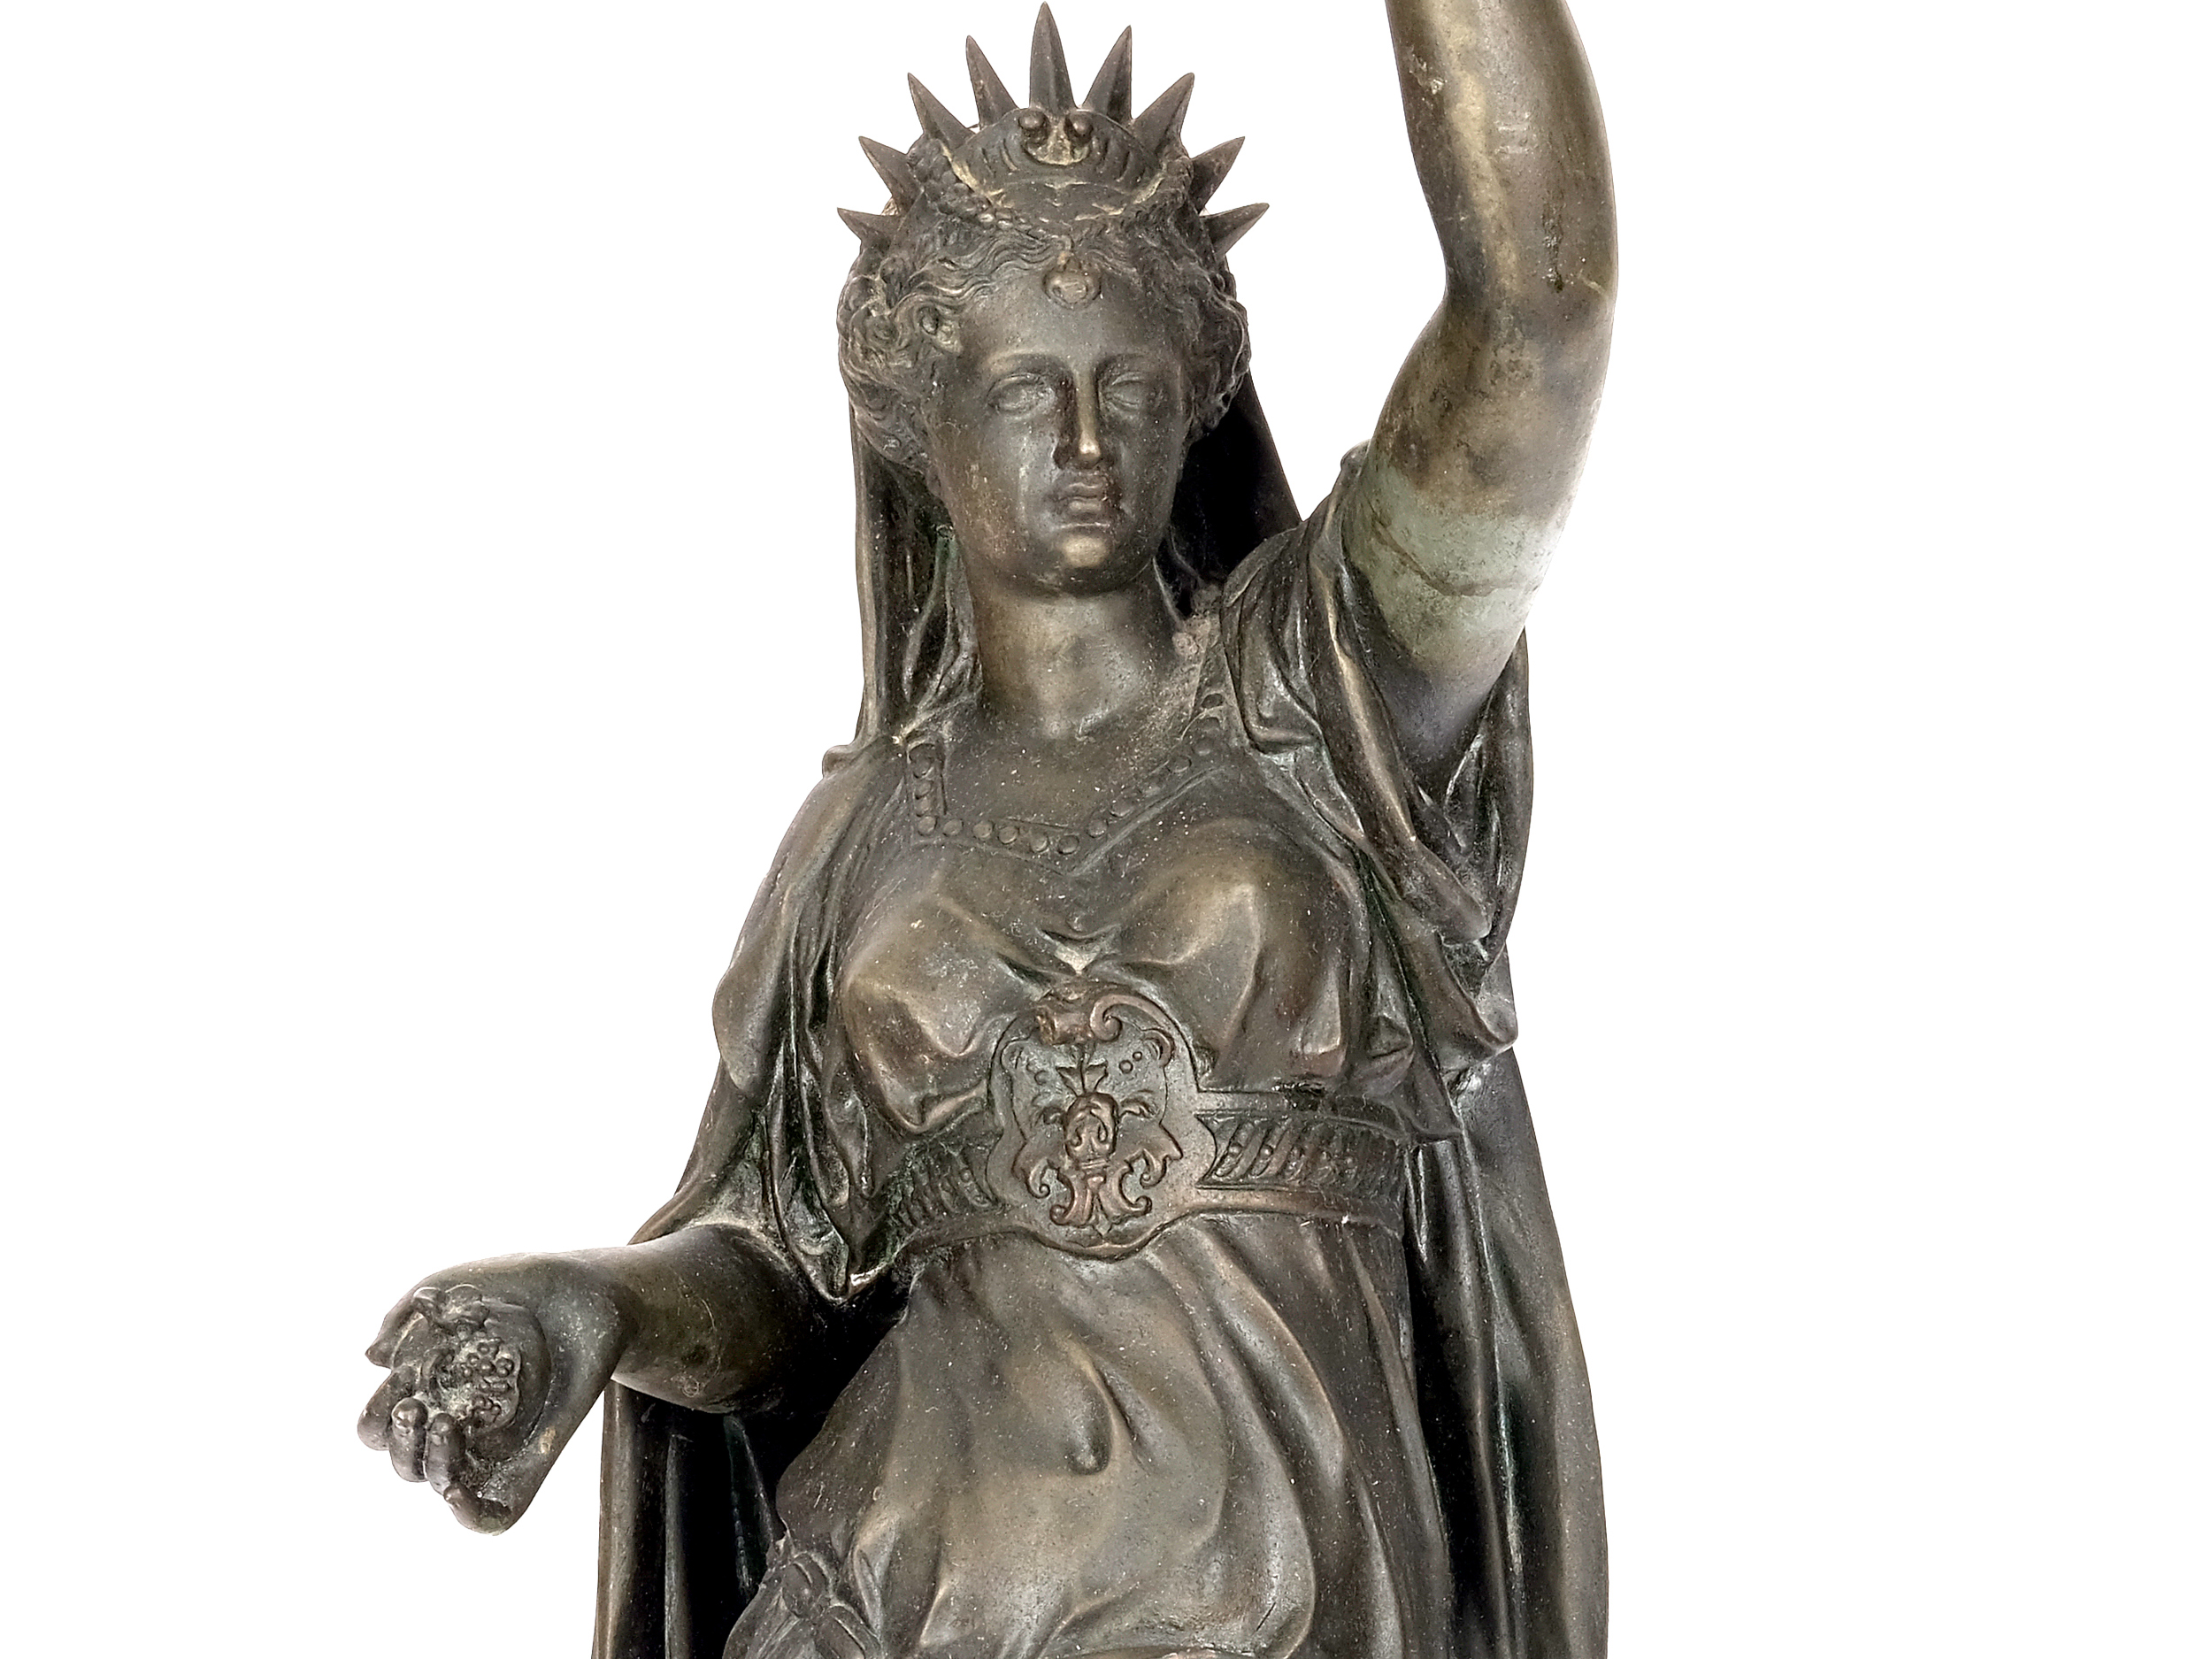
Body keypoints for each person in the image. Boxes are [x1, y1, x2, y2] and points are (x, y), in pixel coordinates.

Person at [360, 6, 1616, 1656]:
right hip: (885, 1596)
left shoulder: (1328, 708)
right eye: (1029, 390)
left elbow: (1540, 307)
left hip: (1269, 1592)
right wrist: (596, 1302)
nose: (1086, 444)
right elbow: (789, 1272)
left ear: (1196, 404)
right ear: (920, 425)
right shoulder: (862, 840)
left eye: (1132, 388)